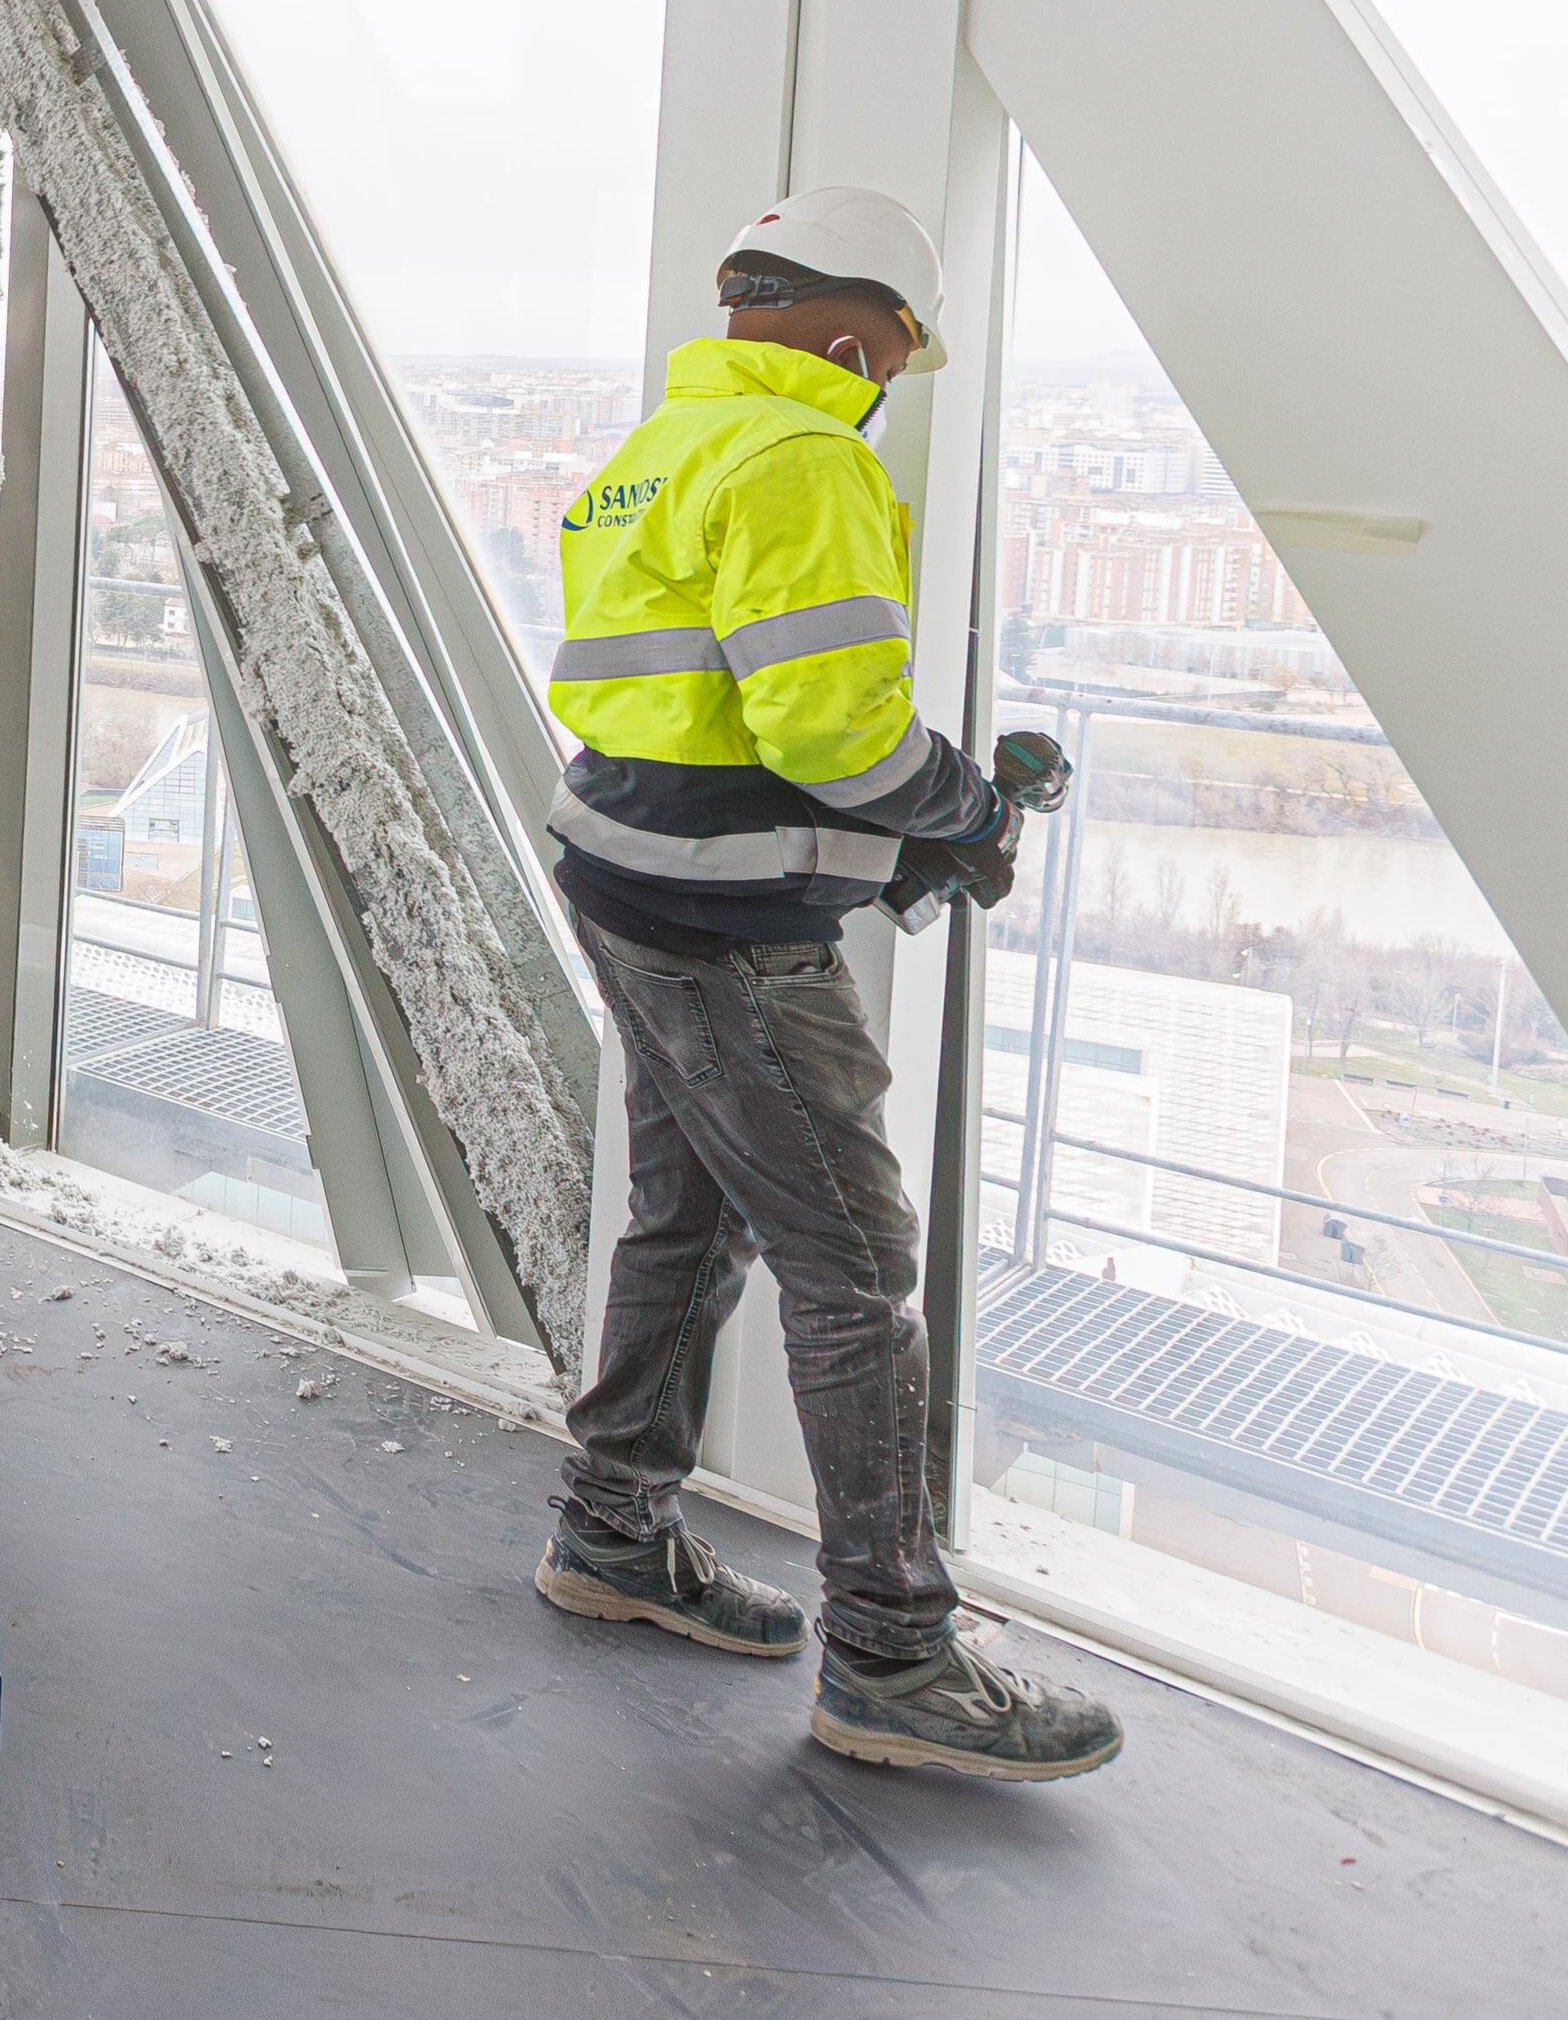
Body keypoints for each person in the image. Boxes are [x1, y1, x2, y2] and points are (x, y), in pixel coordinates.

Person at [533, 186, 1120, 1782]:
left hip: (629, 877)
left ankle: (612, 1532)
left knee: (686, 1215)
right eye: (886, 368)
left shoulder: (667, 443)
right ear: (859, 341)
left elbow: (703, 716)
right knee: (856, 1265)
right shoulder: (809, 458)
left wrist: (893, 847)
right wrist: (970, 812)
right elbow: (833, 735)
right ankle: (893, 1655)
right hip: (729, 935)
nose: (880, 394)